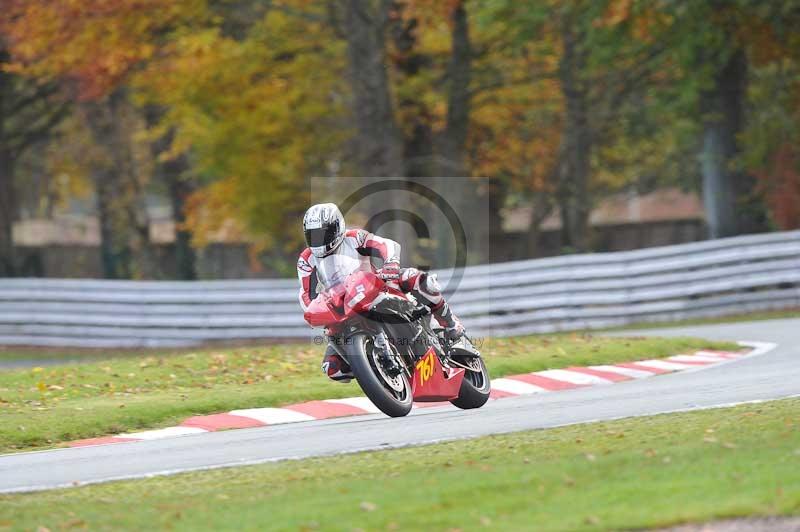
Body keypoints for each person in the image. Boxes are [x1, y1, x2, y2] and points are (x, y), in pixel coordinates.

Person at [297, 203, 465, 383]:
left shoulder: (354, 237)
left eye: (323, 232)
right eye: (313, 235)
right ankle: (376, 372)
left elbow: (386, 245)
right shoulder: (306, 259)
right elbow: (307, 293)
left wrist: (390, 264)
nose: (318, 239)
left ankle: (449, 323)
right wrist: (314, 311)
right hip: (341, 308)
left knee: (419, 280)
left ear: (337, 227)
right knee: (332, 369)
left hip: (376, 285)